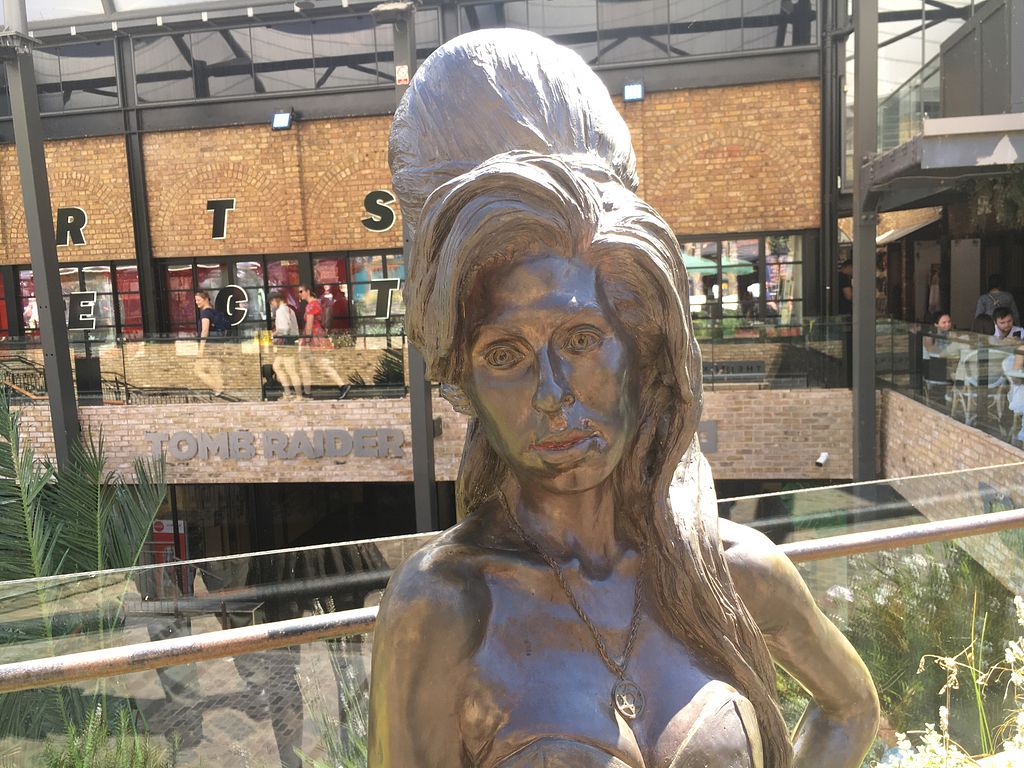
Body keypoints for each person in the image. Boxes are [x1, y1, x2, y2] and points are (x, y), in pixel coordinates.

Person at [369, 30, 878, 768]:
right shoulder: (445, 608)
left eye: (580, 339)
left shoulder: (733, 571)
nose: (552, 395)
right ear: (467, 383)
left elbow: (852, 707)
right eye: (504, 355)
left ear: (640, 343)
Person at [269, 291, 300, 400]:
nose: (272, 305)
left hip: (286, 344)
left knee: (289, 369)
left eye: (272, 302)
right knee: (277, 366)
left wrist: (274, 335)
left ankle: (298, 395)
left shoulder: (280, 311)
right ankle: (288, 393)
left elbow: (284, 329)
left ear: (275, 300)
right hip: (291, 342)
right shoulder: (289, 309)